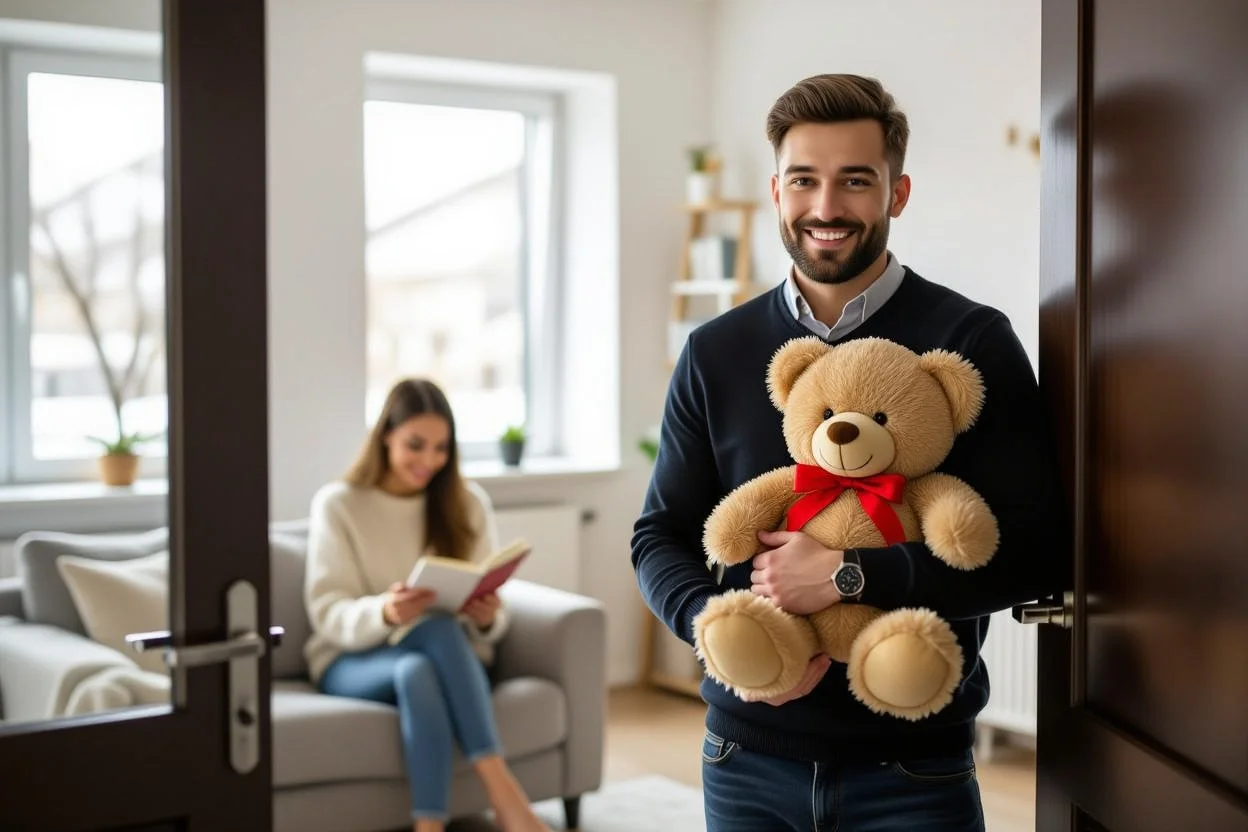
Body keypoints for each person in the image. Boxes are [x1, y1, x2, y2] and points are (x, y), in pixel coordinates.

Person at [631, 74, 1065, 831]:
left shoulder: (971, 343)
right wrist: (721, 633)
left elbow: (1033, 551)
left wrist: (846, 575)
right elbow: (658, 536)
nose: (826, 208)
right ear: (776, 191)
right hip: (743, 762)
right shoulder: (715, 352)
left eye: (855, 182)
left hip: (912, 765)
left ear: (897, 193)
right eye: (805, 180)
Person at [304, 378, 549, 832]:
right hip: (352, 658)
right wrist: (384, 612)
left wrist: (488, 617)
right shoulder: (338, 504)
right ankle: (506, 797)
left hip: (440, 654)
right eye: (415, 445)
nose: (429, 461)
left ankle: (429, 827)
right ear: (385, 436)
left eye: (441, 448)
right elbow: (326, 610)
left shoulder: (466, 503)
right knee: (432, 631)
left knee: (420, 665)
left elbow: (489, 598)